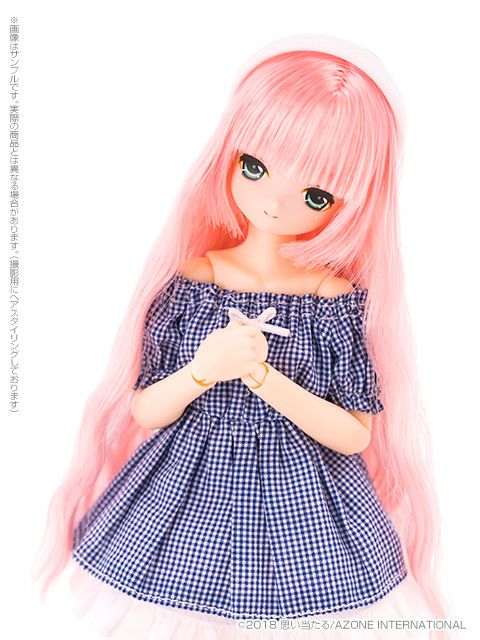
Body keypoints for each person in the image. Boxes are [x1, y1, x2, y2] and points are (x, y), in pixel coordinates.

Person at [33, 33, 455, 640]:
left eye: (315, 194)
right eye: (254, 167)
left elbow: (354, 433)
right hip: (185, 494)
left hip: (304, 507)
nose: (275, 202)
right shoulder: (196, 281)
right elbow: (146, 408)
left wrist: (261, 376)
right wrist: (204, 369)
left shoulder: (330, 301)